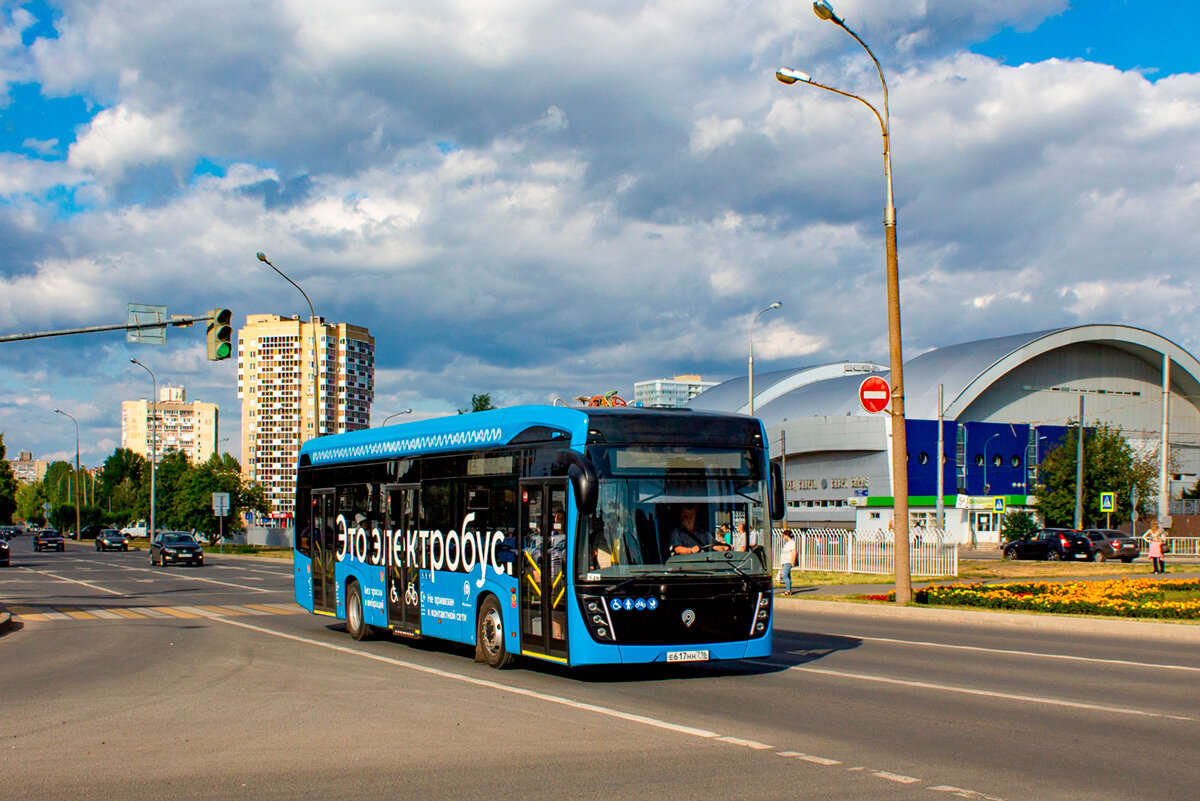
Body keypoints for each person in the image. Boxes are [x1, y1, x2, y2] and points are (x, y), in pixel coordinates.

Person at [778, 529, 797, 596]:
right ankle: (789, 589)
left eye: (784, 535)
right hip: (785, 561)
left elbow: (794, 552)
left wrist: (792, 561)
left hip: (788, 561)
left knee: (784, 575)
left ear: (787, 535)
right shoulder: (787, 543)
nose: (784, 537)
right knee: (788, 576)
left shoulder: (792, 543)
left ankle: (788, 590)